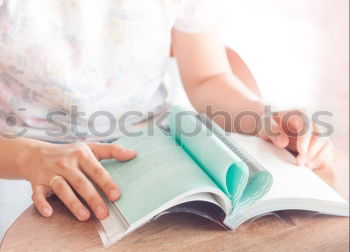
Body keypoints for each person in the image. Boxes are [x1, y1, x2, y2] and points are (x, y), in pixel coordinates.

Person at [0, 0, 333, 222]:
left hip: (152, 155)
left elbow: (208, 77)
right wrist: (29, 157)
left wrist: (265, 121)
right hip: (21, 164)